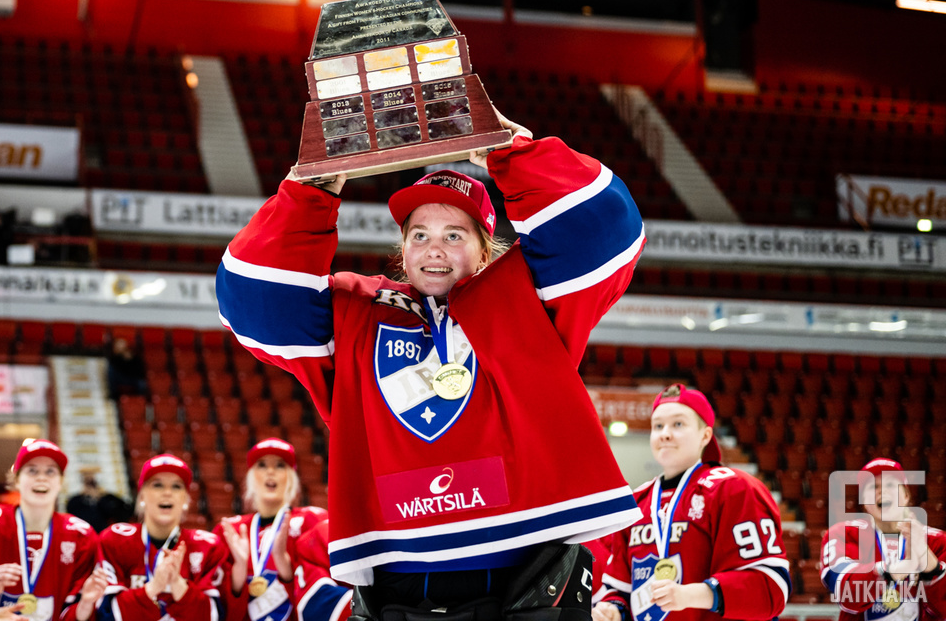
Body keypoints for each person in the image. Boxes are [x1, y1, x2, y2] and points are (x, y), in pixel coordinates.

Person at [217, 117, 646, 614]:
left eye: (454, 235)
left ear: (487, 250)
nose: (434, 249)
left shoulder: (524, 298)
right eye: (418, 235)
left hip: (525, 583)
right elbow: (253, 302)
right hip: (399, 591)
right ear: (402, 250)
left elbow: (604, 231)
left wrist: (514, 153)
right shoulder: (358, 312)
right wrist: (309, 192)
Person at [594, 384, 790, 621]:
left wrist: (692, 595)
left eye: (678, 424)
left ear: (705, 436)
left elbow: (771, 588)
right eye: (658, 426)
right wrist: (613, 610)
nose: (665, 433)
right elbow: (620, 591)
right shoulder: (636, 503)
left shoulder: (734, 489)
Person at [0, 439, 107, 621]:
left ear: (61, 482)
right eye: (32, 470)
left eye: (50, 471)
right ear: (17, 480)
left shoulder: (81, 535)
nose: (41, 478)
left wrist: (86, 603)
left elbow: (77, 612)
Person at [217, 439, 351, 621]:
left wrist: (285, 567)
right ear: (250, 476)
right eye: (262, 465)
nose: (270, 472)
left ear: (291, 477)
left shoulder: (312, 521)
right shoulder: (231, 531)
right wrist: (239, 571)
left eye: (280, 466)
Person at [98, 453, 229, 621]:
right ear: (142, 496)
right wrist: (154, 587)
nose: (167, 493)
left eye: (176, 486)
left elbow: (214, 616)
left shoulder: (207, 546)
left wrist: (177, 584)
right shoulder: (115, 540)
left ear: (186, 500)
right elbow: (105, 614)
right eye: (157, 485)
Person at [819, 458, 946, 620]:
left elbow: (942, 610)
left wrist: (931, 567)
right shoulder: (844, 534)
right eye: (873, 487)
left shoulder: (938, 541)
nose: (882, 491)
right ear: (864, 502)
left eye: (890, 485)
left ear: (906, 495)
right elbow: (845, 593)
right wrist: (898, 569)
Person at [66, 468, 131, 532]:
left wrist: (98, 498)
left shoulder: (107, 498)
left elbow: (116, 513)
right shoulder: (75, 500)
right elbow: (71, 513)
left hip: (101, 532)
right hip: (83, 532)